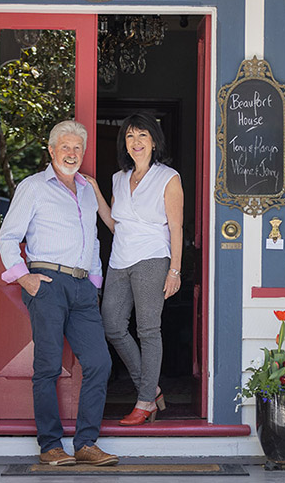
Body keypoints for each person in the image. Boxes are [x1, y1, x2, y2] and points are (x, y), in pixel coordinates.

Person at [0, 120, 118, 467]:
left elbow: (92, 238)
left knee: (99, 362)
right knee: (48, 366)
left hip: (83, 288)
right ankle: (50, 445)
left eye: (77, 148)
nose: (72, 153)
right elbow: (8, 237)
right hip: (47, 283)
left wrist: (95, 281)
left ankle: (86, 444)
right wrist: (25, 279)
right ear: (51, 151)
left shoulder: (86, 189)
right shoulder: (33, 187)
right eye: (65, 147)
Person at [86, 112, 184, 426]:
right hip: (119, 260)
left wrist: (175, 271)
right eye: (130, 136)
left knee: (148, 330)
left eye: (142, 135)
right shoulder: (118, 178)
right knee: (112, 325)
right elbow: (116, 224)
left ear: (154, 141)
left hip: (153, 258)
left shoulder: (168, 177)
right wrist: (96, 193)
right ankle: (151, 387)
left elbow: (176, 227)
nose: (136, 142)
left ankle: (144, 402)